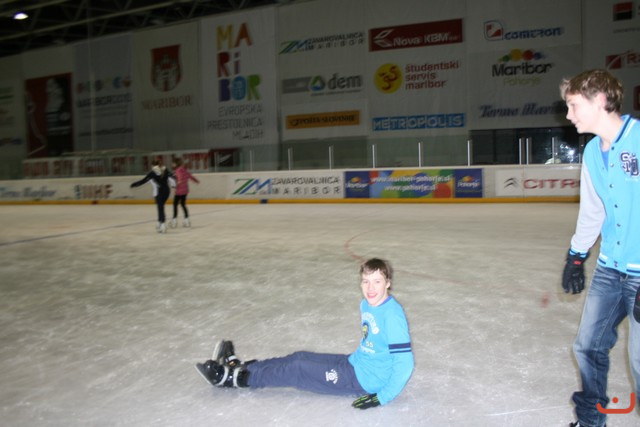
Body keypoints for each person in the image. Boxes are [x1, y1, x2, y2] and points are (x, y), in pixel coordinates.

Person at [196, 258, 414, 409]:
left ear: (388, 283)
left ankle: (234, 379)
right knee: (299, 356)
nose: (370, 288)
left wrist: (381, 397)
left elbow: (405, 363)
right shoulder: (366, 304)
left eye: (377, 281)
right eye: (366, 281)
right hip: (355, 363)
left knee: (298, 370)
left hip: (365, 381)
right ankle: (244, 368)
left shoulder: (392, 316)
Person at [559, 69, 640, 427]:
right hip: (610, 269)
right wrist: (576, 256)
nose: (568, 115)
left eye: (574, 105)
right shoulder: (592, 151)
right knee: (587, 346)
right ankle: (591, 421)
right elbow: (593, 210)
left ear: (600, 101)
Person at [130, 159, 175, 233]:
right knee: (161, 207)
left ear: (153, 165)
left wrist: (134, 184)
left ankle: (162, 224)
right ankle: (160, 222)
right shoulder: (165, 169)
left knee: (160, 208)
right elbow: (172, 177)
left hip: (159, 192)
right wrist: (174, 185)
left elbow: (143, 181)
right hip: (167, 191)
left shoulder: (152, 173)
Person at [170, 158, 199, 228]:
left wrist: (177, 184)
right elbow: (190, 176)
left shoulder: (178, 170)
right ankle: (187, 220)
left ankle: (174, 221)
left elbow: (180, 178)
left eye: (173, 163)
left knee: (175, 205)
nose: (172, 164)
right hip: (185, 191)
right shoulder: (184, 170)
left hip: (179, 191)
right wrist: (196, 181)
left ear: (176, 163)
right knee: (183, 204)